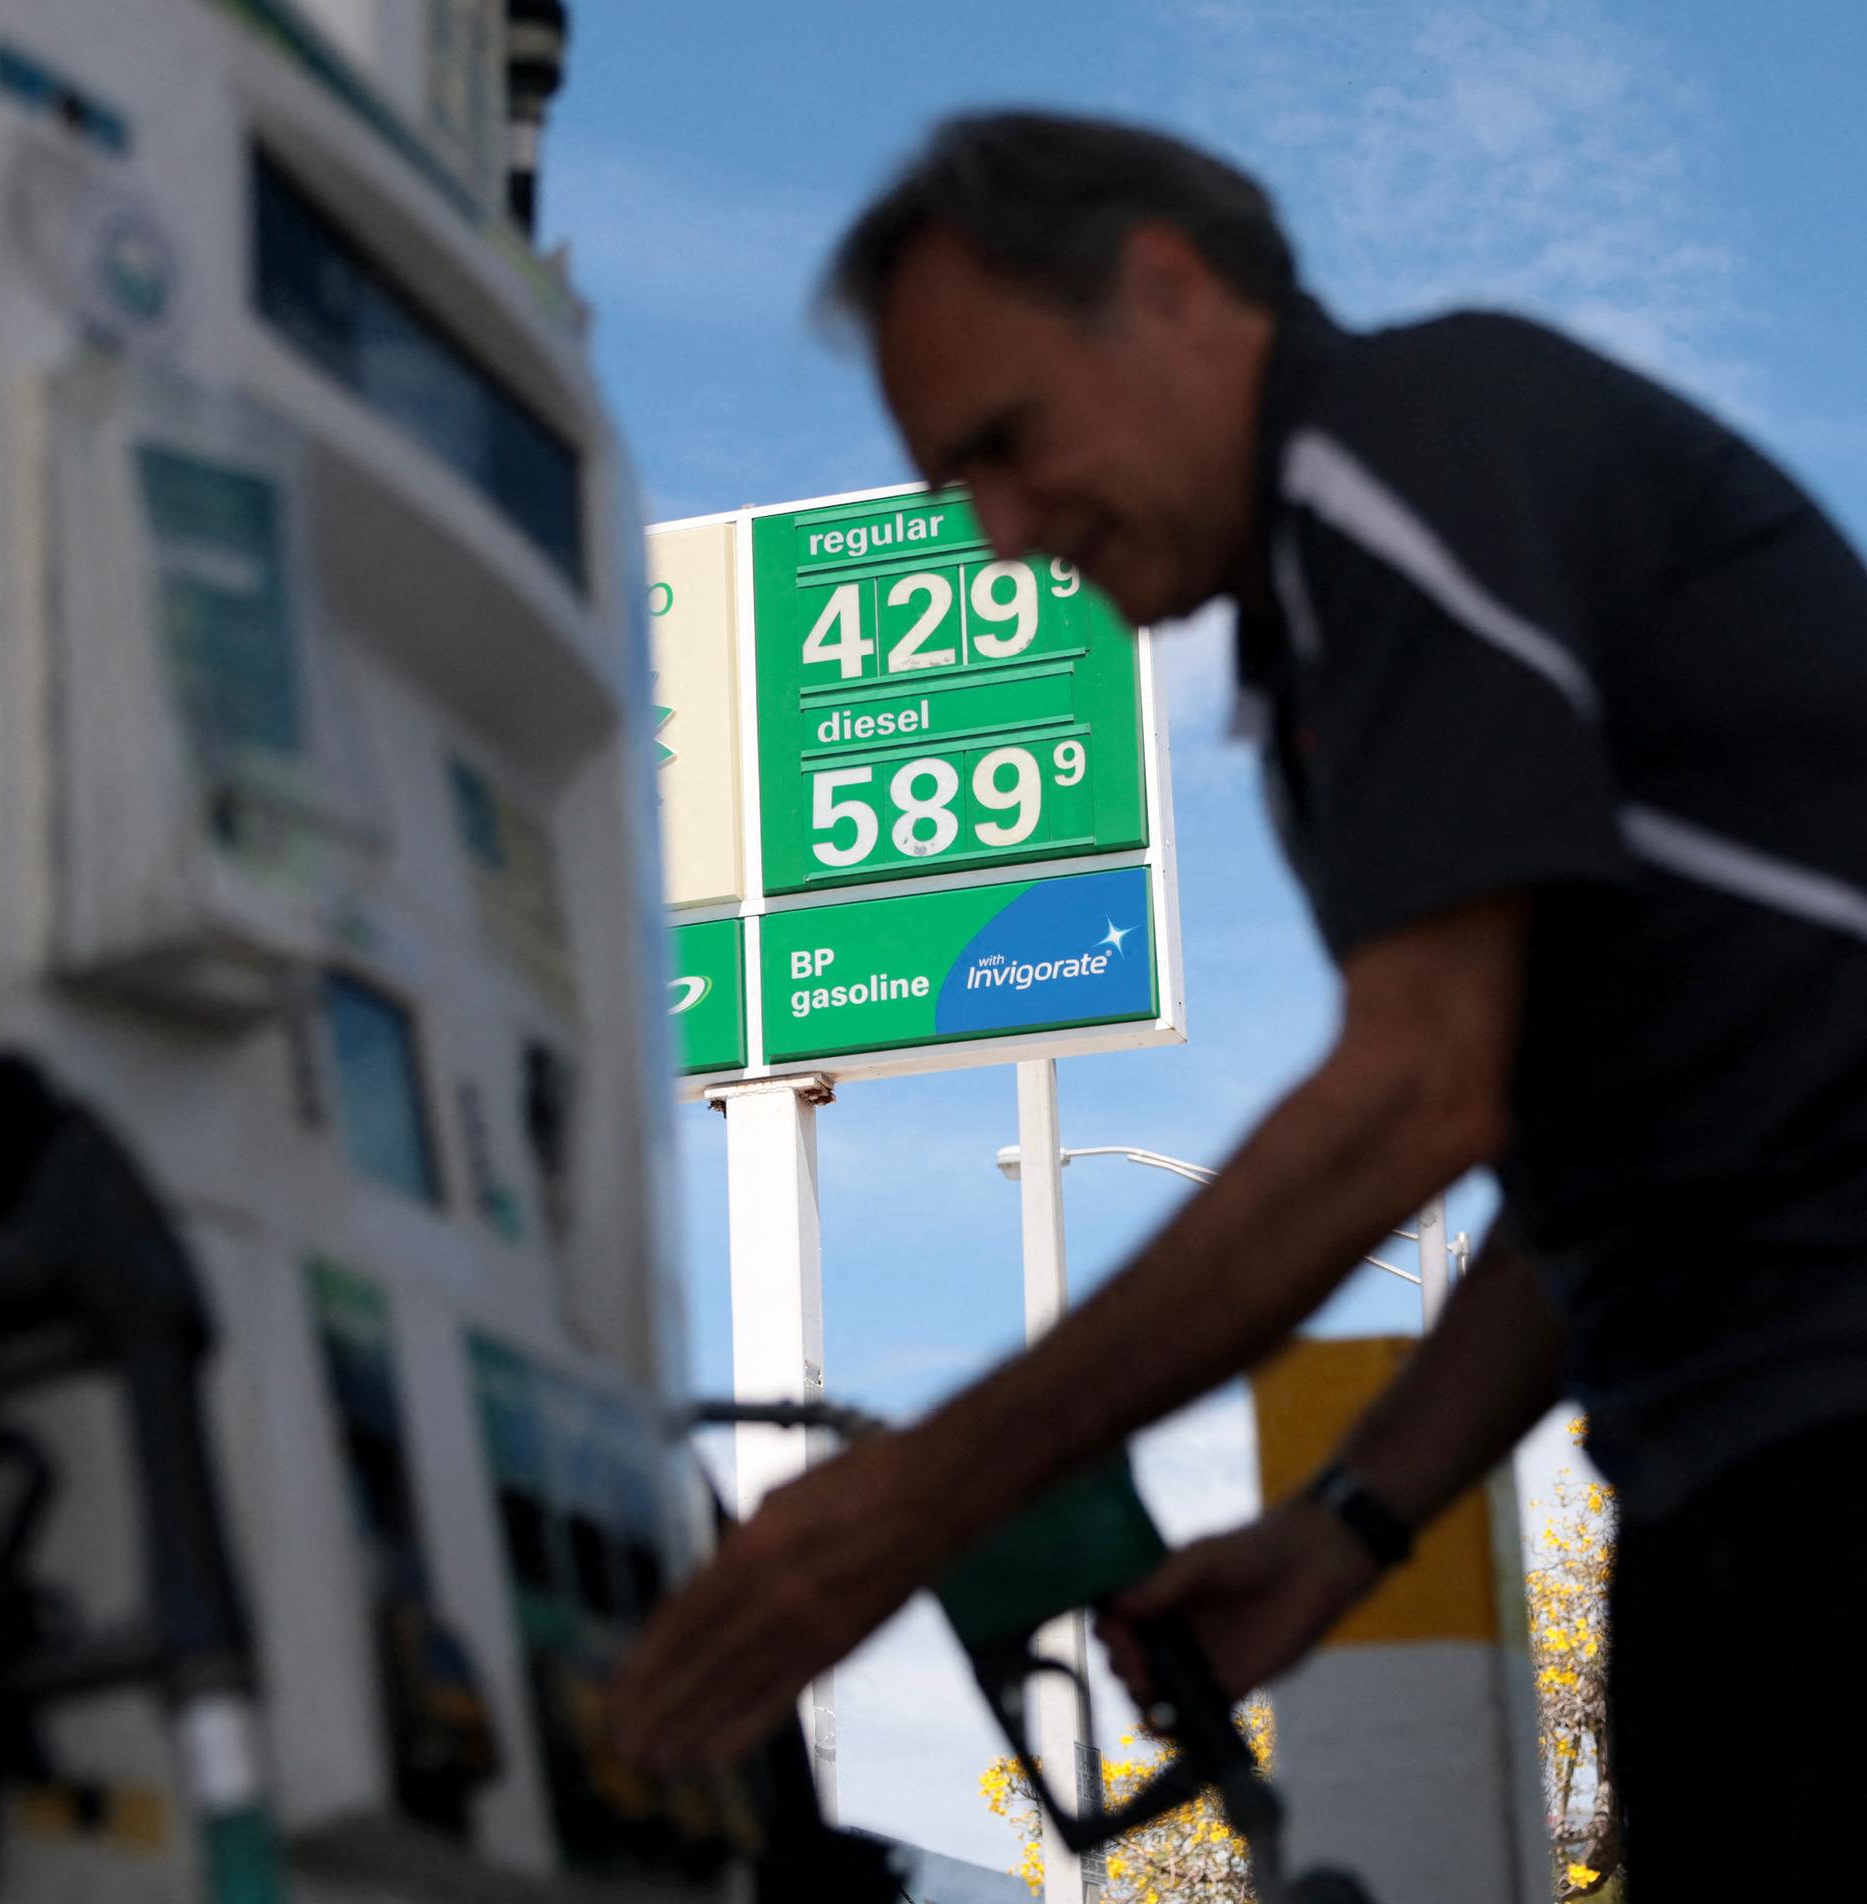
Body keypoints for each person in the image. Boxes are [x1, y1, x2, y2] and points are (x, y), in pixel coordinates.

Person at [612, 111, 1867, 1895]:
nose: (998, 538)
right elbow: (1588, 1167)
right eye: (953, 490)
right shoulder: (1318, 651)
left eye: (1007, 442)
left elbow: (1414, 1094)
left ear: (1173, 289)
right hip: (1736, 1470)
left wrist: (917, 1499)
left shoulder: (1402, 449)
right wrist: (1351, 1521)